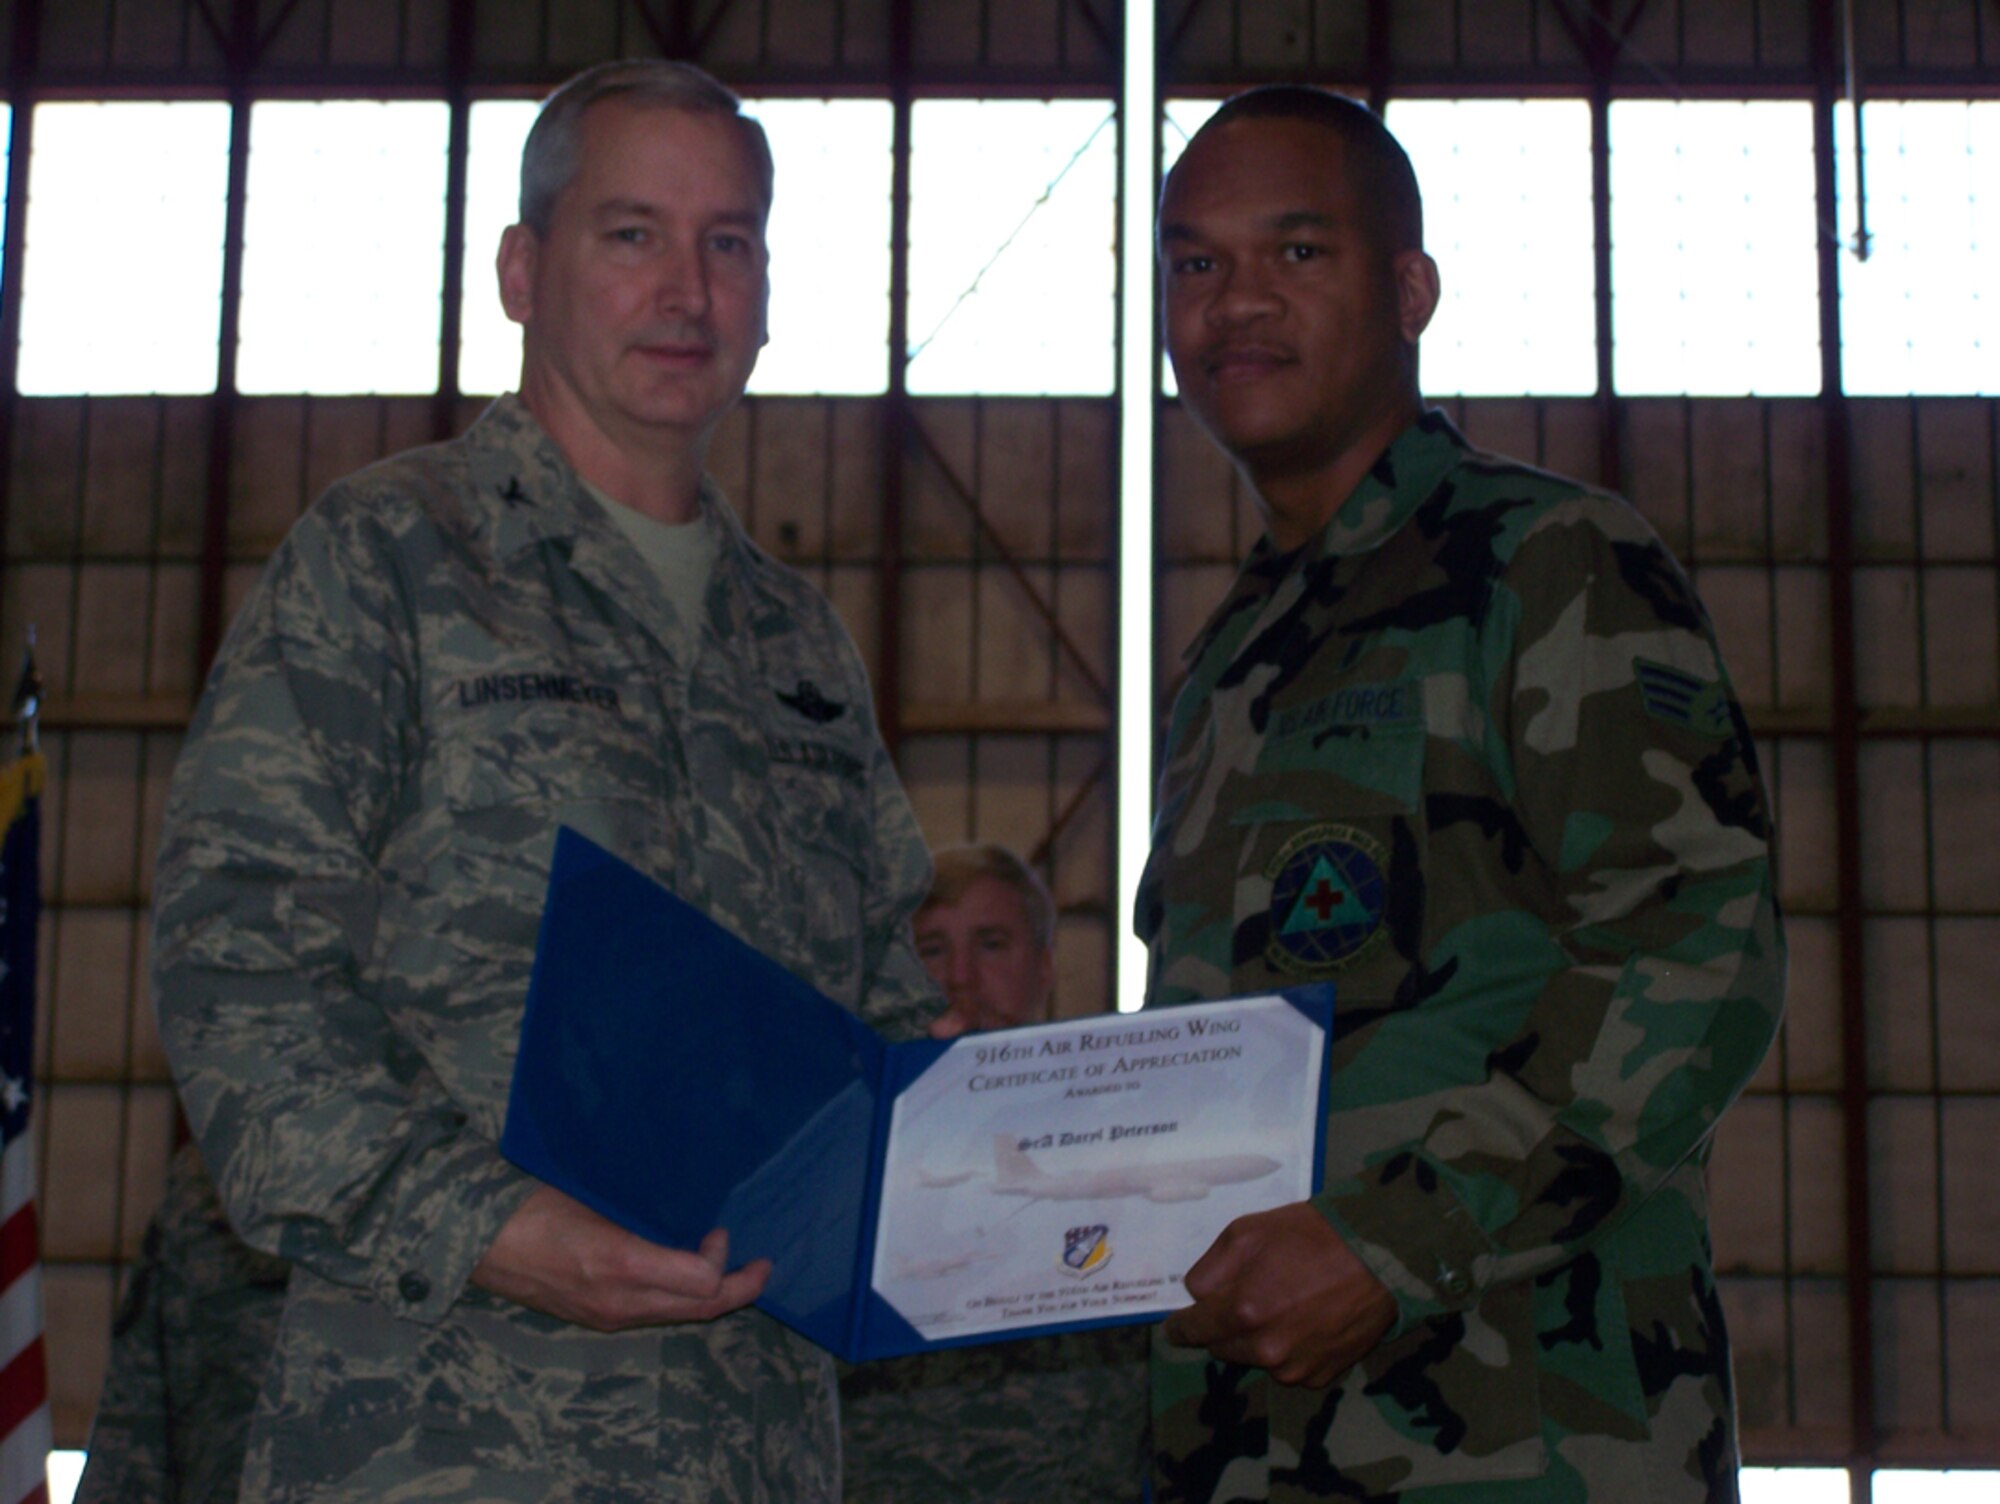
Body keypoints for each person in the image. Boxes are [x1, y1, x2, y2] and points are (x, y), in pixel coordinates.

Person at [149, 59, 937, 1503]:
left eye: (731, 241)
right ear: (524, 269)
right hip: (438, 1437)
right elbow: (237, 967)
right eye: (632, 234)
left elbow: (884, 1013)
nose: (688, 292)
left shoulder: (800, 646)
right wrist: (495, 1226)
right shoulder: (388, 560)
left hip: (754, 1450)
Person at [1137, 86, 1785, 1503]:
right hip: (1249, 1449)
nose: (1237, 303)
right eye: (1197, 264)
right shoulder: (1231, 661)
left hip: (1520, 1438)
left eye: (1296, 253)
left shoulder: (1549, 564)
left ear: (1411, 288)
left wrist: (1399, 1242)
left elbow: (1697, 952)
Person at [839, 843, 1150, 1501]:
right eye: (931, 949)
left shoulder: (1126, 1129)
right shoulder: (850, 1140)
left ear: (1044, 967)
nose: (960, 977)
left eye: (991, 943)